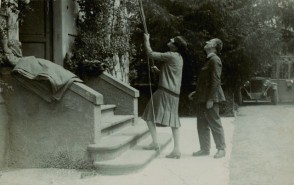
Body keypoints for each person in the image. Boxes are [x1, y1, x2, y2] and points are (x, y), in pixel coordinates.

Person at [142, 33, 187, 159]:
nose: (170, 39)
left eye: (172, 40)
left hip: (164, 91)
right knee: (173, 120)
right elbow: (172, 74)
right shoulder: (178, 57)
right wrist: (159, 71)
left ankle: (155, 142)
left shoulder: (170, 55)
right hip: (174, 94)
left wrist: (146, 40)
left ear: (175, 46)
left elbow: (150, 53)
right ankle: (177, 149)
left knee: (148, 115)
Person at [188, 38, 226, 159]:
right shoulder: (208, 60)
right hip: (202, 96)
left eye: (209, 42)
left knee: (214, 122)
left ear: (214, 47)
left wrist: (211, 99)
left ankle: (221, 149)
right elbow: (206, 81)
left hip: (210, 98)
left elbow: (216, 81)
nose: (206, 43)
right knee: (202, 123)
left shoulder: (214, 60)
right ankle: (205, 149)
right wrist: (196, 92)